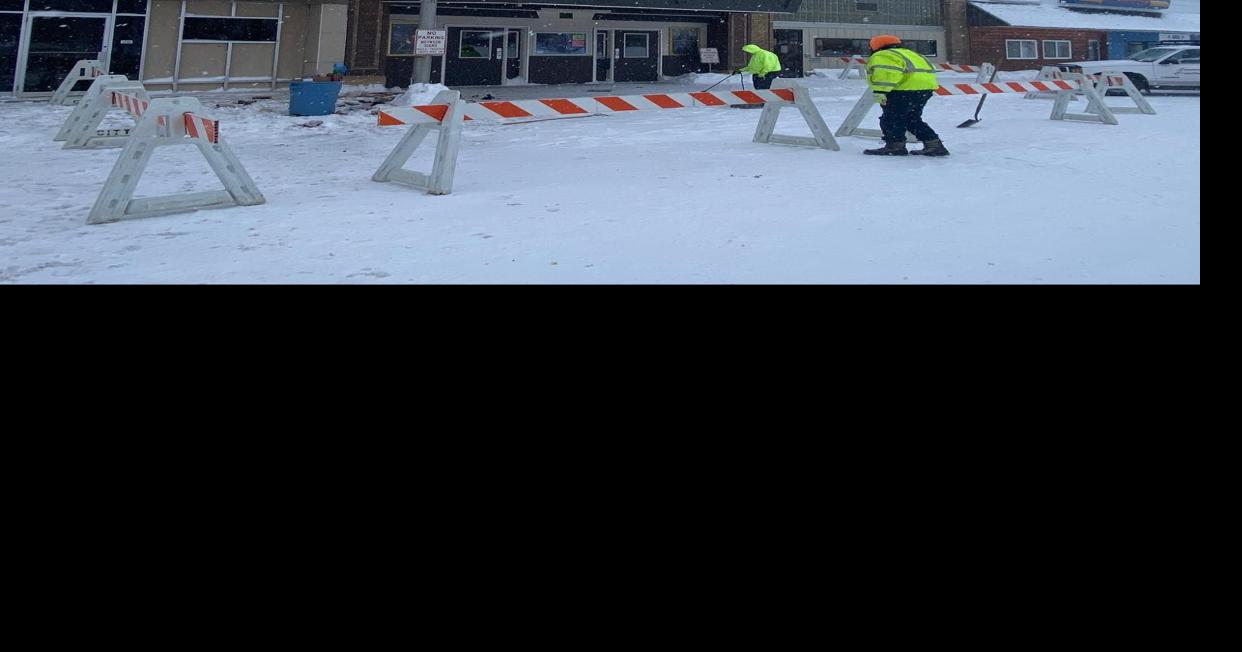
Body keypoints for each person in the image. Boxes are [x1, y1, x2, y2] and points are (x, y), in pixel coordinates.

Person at [863, 35, 949, 157]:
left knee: (891, 119)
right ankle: (934, 145)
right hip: (924, 90)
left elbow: (885, 76)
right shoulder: (912, 54)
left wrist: (880, 93)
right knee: (912, 119)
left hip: (902, 91)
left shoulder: (883, 55)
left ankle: (895, 146)